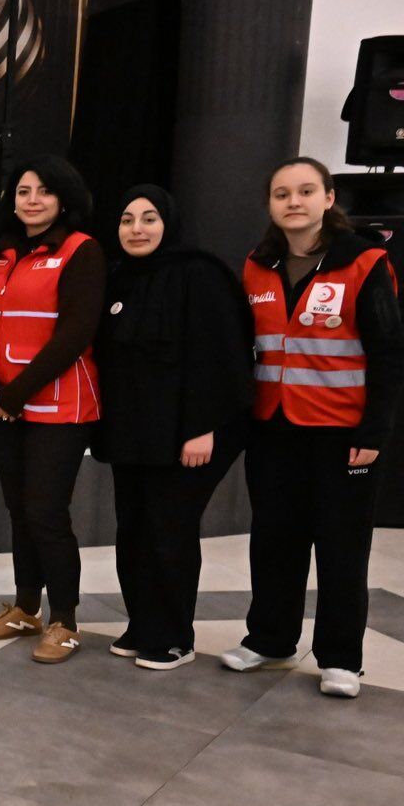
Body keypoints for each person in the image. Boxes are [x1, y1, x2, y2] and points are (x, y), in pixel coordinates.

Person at [222, 156, 404, 698]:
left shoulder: (364, 261)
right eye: (282, 194)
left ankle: (341, 658)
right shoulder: (257, 264)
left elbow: (390, 354)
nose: (293, 202)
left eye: (305, 191)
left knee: (342, 548)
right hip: (273, 428)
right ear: (270, 205)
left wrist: (374, 433)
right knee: (274, 541)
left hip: (342, 432)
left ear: (329, 199)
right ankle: (270, 639)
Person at [92, 186, 252, 670]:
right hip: (134, 433)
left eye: (149, 218)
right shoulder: (119, 278)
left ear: (169, 223)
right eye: (127, 220)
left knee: (170, 530)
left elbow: (220, 356)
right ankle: (143, 624)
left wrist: (202, 428)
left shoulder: (199, 274)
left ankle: (175, 636)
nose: (136, 229)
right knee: (133, 529)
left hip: (190, 435)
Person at [0, 156, 105, 665]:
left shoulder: (81, 250)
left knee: (46, 511)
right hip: (5, 404)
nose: (32, 200)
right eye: (23, 191)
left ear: (63, 198)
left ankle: (64, 620)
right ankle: (26, 607)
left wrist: (14, 394)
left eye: (44, 191)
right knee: (19, 509)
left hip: (61, 405)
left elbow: (74, 335)